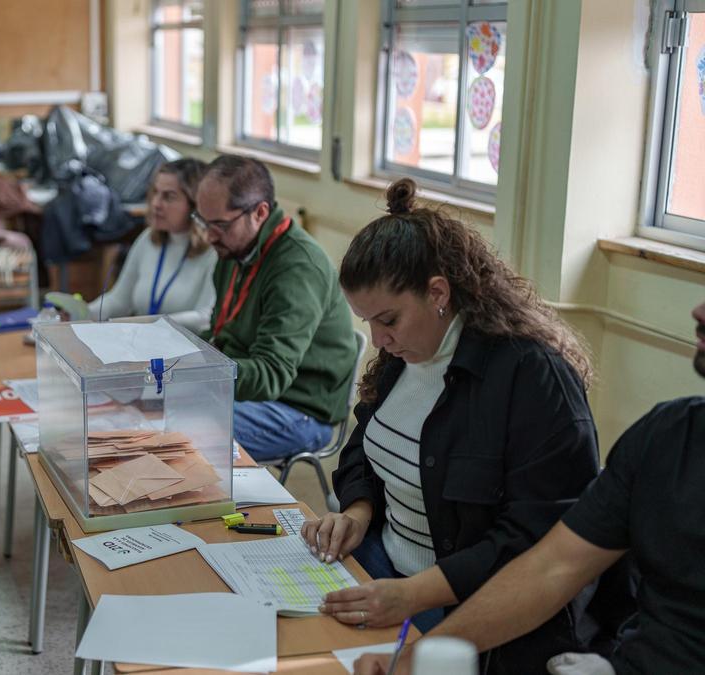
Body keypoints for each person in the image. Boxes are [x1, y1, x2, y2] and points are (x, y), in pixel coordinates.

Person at [308, 178, 600, 673]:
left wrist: (412, 596)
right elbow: (364, 447)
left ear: (438, 292)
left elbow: (539, 543)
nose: (379, 339)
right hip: (387, 571)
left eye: (388, 320)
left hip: (472, 611)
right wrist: (356, 512)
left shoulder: (531, 376)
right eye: (368, 324)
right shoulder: (407, 352)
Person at [353, 299, 705, 675]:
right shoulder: (666, 433)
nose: (697, 311)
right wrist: (415, 659)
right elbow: (550, 568)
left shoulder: (533, 373)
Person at [195, 155, 357, 462]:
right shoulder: (236, 249)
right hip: (255, 395)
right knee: (159, 408)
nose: (208, 235)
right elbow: (224, 332)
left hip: (301, 409)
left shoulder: (297, 269)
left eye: (219, 224)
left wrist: (197, 374)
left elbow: (271, 374)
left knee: (182, 431)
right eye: (202, 221)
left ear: (260, 212)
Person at [87, 158, 217, 333]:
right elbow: (119, 300)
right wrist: (78, 313)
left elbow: (205, 318)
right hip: (143, 343)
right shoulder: (148, 239)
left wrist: (147, 325)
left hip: (185, 355)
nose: (155, 203)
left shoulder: (214, 252)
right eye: (155, 192)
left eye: (169, 197)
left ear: (196, 205)